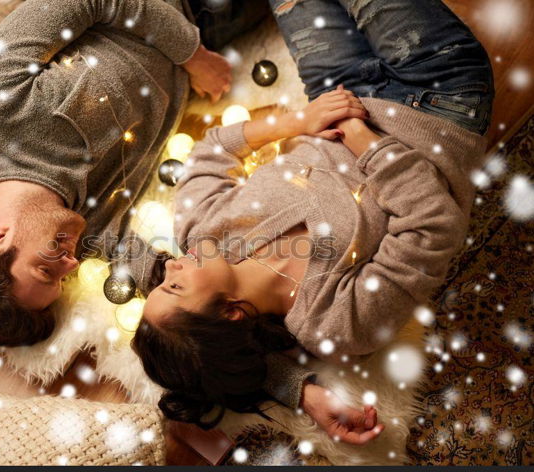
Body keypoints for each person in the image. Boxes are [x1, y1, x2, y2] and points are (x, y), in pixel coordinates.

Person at [133, 0, 494, 431]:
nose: (170, 262)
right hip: (438, 103)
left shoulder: (200, 230)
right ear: (230, 314)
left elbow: (212, 151)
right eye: (174, 284)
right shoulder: (336, 323)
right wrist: (368, 145)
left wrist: (297, 122)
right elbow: (435, 225)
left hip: (336, 86)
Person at [0, 0, 232, 346]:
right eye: (61, 280)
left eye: (46, 270)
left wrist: (193, 56)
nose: (70, 265)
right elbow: (154, 271)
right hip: (215, 32)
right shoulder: (77, 229)